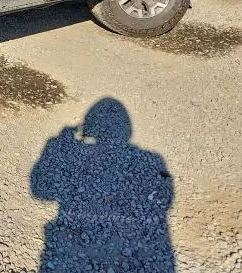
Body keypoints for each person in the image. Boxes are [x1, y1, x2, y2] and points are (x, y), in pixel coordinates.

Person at [31, 98, 175, 272]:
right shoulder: (152, 160)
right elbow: (165, 201)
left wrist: (58, 143)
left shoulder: (151, 160)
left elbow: (40, 191)